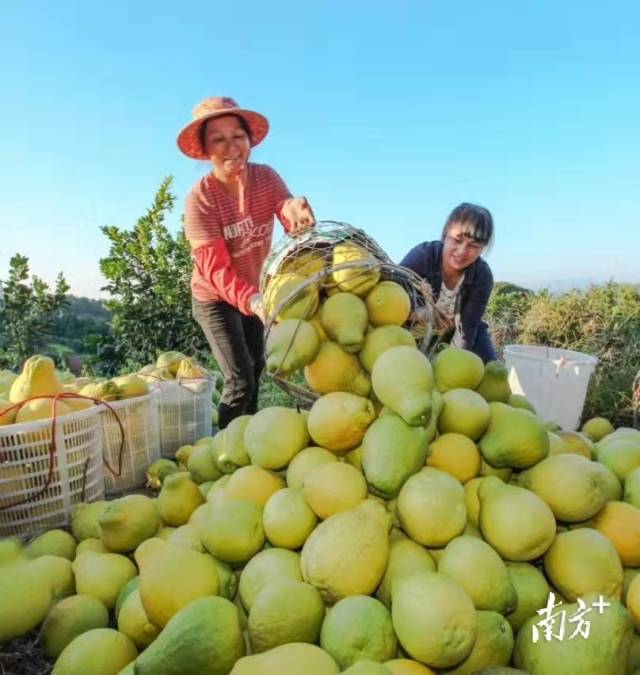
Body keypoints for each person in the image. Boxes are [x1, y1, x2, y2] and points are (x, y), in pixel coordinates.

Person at [177, 96, 315, 429]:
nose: (231, 147)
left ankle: (249, 439)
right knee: (240, 380)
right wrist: (253, 301)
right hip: (214, 298)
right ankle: (226, 447)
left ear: (249, 140)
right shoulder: (200, 199)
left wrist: (294, 211)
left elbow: (285, 208)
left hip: (254, 292)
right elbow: (215, 270)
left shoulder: (265, 178)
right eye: (219, 140)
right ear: (205, 149)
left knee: (256, 367)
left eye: (238, 136)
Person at [400, 203, 496, 363]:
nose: (462, 251)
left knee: (490, 368)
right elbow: (388, 298)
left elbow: (465, 333)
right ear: (445, 233)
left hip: (455, 333)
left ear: (482, 248)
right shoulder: (423, 256)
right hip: (410, 330)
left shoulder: (482, 276)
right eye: (457, 240)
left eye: (473, 246)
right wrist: (418, 314)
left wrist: (450, 364)